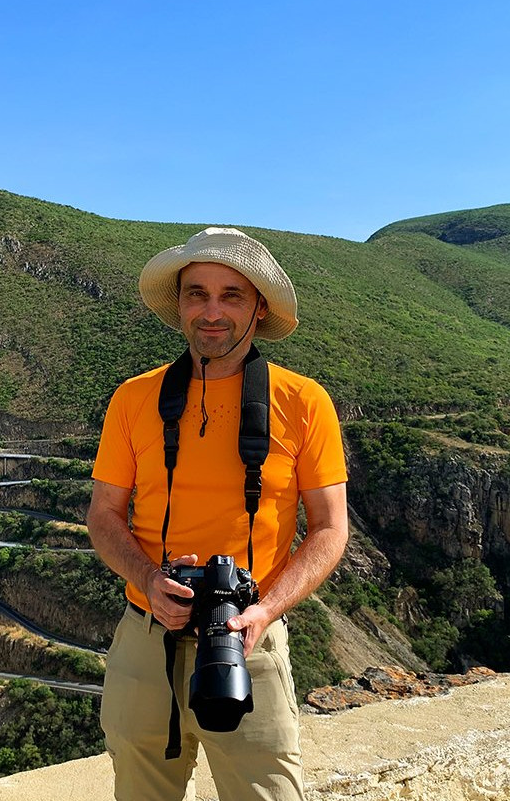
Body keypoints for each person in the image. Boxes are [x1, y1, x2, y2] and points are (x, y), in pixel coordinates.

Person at [86, 227, 349, 801]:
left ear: (258, 309)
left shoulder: (303, 403)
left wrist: (264, 611)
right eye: (196, 293)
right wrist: (149, 579)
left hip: (247, 639)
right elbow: (104, 515)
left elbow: (330, 530)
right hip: (146, 636)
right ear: (179, 305)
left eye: (232, 294)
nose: (211, 311)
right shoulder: (134, 399)